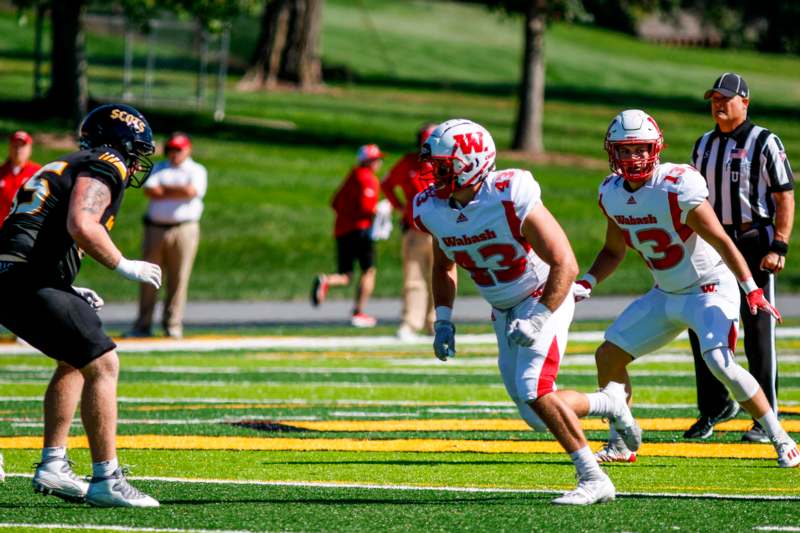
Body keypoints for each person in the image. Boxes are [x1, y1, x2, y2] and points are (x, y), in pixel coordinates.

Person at [415, 118, 641, 505]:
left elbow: (565, 263)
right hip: (503, 309)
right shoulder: (433, 208)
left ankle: (593, 478)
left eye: (443, 165)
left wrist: (539, 315)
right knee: (537, 414)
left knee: (534, 388)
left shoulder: (509, 193)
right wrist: (444, 321)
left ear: (470, 163)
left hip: (543, 296)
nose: (434, 173)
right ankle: (610, 402)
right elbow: (443, 266)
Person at [574, 109, 799, 468]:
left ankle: (781, 438)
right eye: (625, 150)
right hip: (666, 293)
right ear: (611, 152)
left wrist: (751, 289)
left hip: (709, 287)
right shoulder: (612, 193)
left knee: (720, 362)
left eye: (641, 149)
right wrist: (587, 281)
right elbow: (613, 250)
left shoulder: (676, 185)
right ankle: (620, 442)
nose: (633, 158)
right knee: (608, 356)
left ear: (656, 148)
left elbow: (723, 241)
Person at [0, 104, 163, 506]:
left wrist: (65, 288)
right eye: (137, 150)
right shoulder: (107, 162)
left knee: (74, 355)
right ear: (122, 143)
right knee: (104, 361)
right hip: (25, 277)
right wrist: (124, 265)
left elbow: (40, 230)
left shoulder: (69, 162)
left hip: (14, 273)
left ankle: (53, 463)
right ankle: (107, 478)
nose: (138, 160)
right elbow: (82, 224)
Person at [684, 73, 795, 442]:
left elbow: (784, 196)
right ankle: (714, 406)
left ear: (744, 102)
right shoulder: (702, 145)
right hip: (714, 246)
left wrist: (779, 245)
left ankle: (766, 416)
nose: (718, 104)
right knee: (701, 323)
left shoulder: (764, 141)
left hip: (753, 240)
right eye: (714, 98)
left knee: (757, 331)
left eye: (726, 98)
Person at [128, 132, 206, 339]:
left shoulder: (196, 170)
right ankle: (142, 324)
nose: (174, 153)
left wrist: (166, 190)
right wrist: (177, 191)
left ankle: (172, 324)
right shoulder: (159, 167)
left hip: (184, 228)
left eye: (178, 149)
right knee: (148, 277)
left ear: (188, 149)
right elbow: (150, 191)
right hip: (155, 227)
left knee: (178, 278)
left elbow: (191, 191)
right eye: (171, 149)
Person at [311, 144, 383, 328]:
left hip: (342, 230)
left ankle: (326, 281)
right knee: (369, 271)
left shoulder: (352, 176)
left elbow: (335, 203)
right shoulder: (367, 179)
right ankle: (359, 312)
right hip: (360, 230)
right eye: (376, 159)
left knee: (346, 274)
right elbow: (367, 207)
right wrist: (380, 213)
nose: (379, 162)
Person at [380, 123, 437, 340]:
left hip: (441, 232)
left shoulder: (448, 166)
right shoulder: (408, 163)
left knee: (440, 277)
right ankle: (411, 322)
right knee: (413, 278)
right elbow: (386, 184)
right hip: (414, 230)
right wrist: (399, 206)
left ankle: (436, 322)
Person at [0, 130, 41, 228]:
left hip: (25, 228)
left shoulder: (38, 173)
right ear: (9, 147)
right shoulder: (1, 171)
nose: (18, 149)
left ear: (30, 149)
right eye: (15, 145)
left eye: (22, 146)